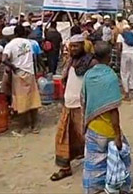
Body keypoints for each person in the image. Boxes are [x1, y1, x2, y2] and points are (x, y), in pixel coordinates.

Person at [81, 41, 132, 194]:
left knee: (94, 164)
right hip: (108, 130)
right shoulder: (110, 76)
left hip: (92, 126)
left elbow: (84, 101)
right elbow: (113, 110)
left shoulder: (88, 75)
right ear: (109, 56)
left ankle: (93, 190)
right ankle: (118, 188)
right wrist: (117, 134)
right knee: (121, 158)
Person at [51, 34, 95, 182]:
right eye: (71, 46)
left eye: (76, 46)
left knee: (88, 137)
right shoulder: (70, 61)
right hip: (68, 103)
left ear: (83, 46)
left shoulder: (91, 62)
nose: (73, 49)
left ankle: (96, 169)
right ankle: (65, 168)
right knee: (63, 136)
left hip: (82, 106)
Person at [3, 24, 42, 133]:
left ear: (14, 34)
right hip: (30, 73)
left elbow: (4, 59)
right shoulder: (28, 43)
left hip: (18, 73)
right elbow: (34, 58)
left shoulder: (10, 45)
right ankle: (34, 126)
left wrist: (12, 66)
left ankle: (20, 128)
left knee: (20, 101)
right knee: (33, 99)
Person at [116, 23, 133, 100]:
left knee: (124, 73)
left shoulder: (120, 35)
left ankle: (126, 93)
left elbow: (119, 47)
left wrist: (119, 57)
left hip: (125, 54)